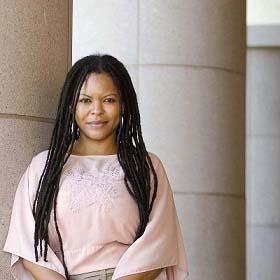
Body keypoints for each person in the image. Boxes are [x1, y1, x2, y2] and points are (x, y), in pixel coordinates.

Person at [2, 54, 189, 280]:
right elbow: (28, 244)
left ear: (123, 105)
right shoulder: (44, 167)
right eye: (85, 100)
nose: (97, 110)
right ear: (71, 105)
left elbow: (160, 241)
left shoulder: (146, 167)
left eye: (108, 100)